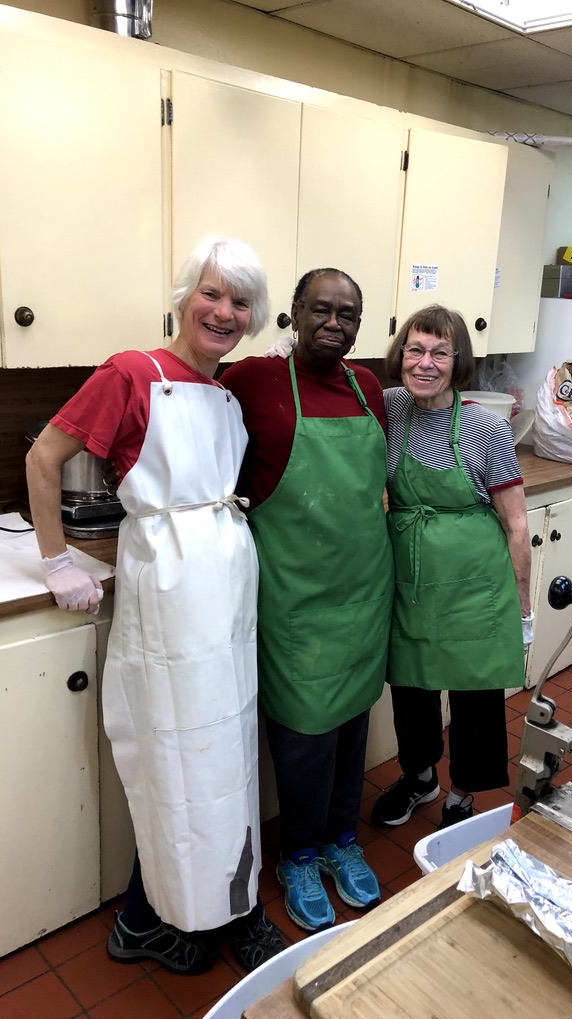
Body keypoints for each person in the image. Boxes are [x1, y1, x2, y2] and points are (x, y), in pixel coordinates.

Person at [25, 236, 284, 975]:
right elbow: (45, 458)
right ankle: (155, 916)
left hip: (226, 585)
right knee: (177, 755)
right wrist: (55, 563)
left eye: (240, 302)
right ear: (182, 296)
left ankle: (214, 904)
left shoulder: (227, 392)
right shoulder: (132, 373)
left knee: (224, 754)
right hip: (169, 586)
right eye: (212, 293)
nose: (224, 312)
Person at [219, 268, 394, 933]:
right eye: (320, 309)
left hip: (363, 587)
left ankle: (341, 841)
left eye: (348, 314)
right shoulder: (250, 383)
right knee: (302, 738)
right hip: (293, 595)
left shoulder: (368, 387)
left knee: (352, 728)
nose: (334, 322)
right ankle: (297, 856)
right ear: (293, 314)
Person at [371, 305, 534, 832]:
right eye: (415, 350)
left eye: (440, 352)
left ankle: (463, 795)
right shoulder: (390, 406)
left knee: (476, 695)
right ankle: (420, 779)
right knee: (411, 688)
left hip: (475, 583)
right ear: (401, 355)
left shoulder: (486, 428)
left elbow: (516, 524)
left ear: (456, 359)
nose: (425, 363)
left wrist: (524, 608)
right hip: (411, 580)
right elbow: (335, 382)